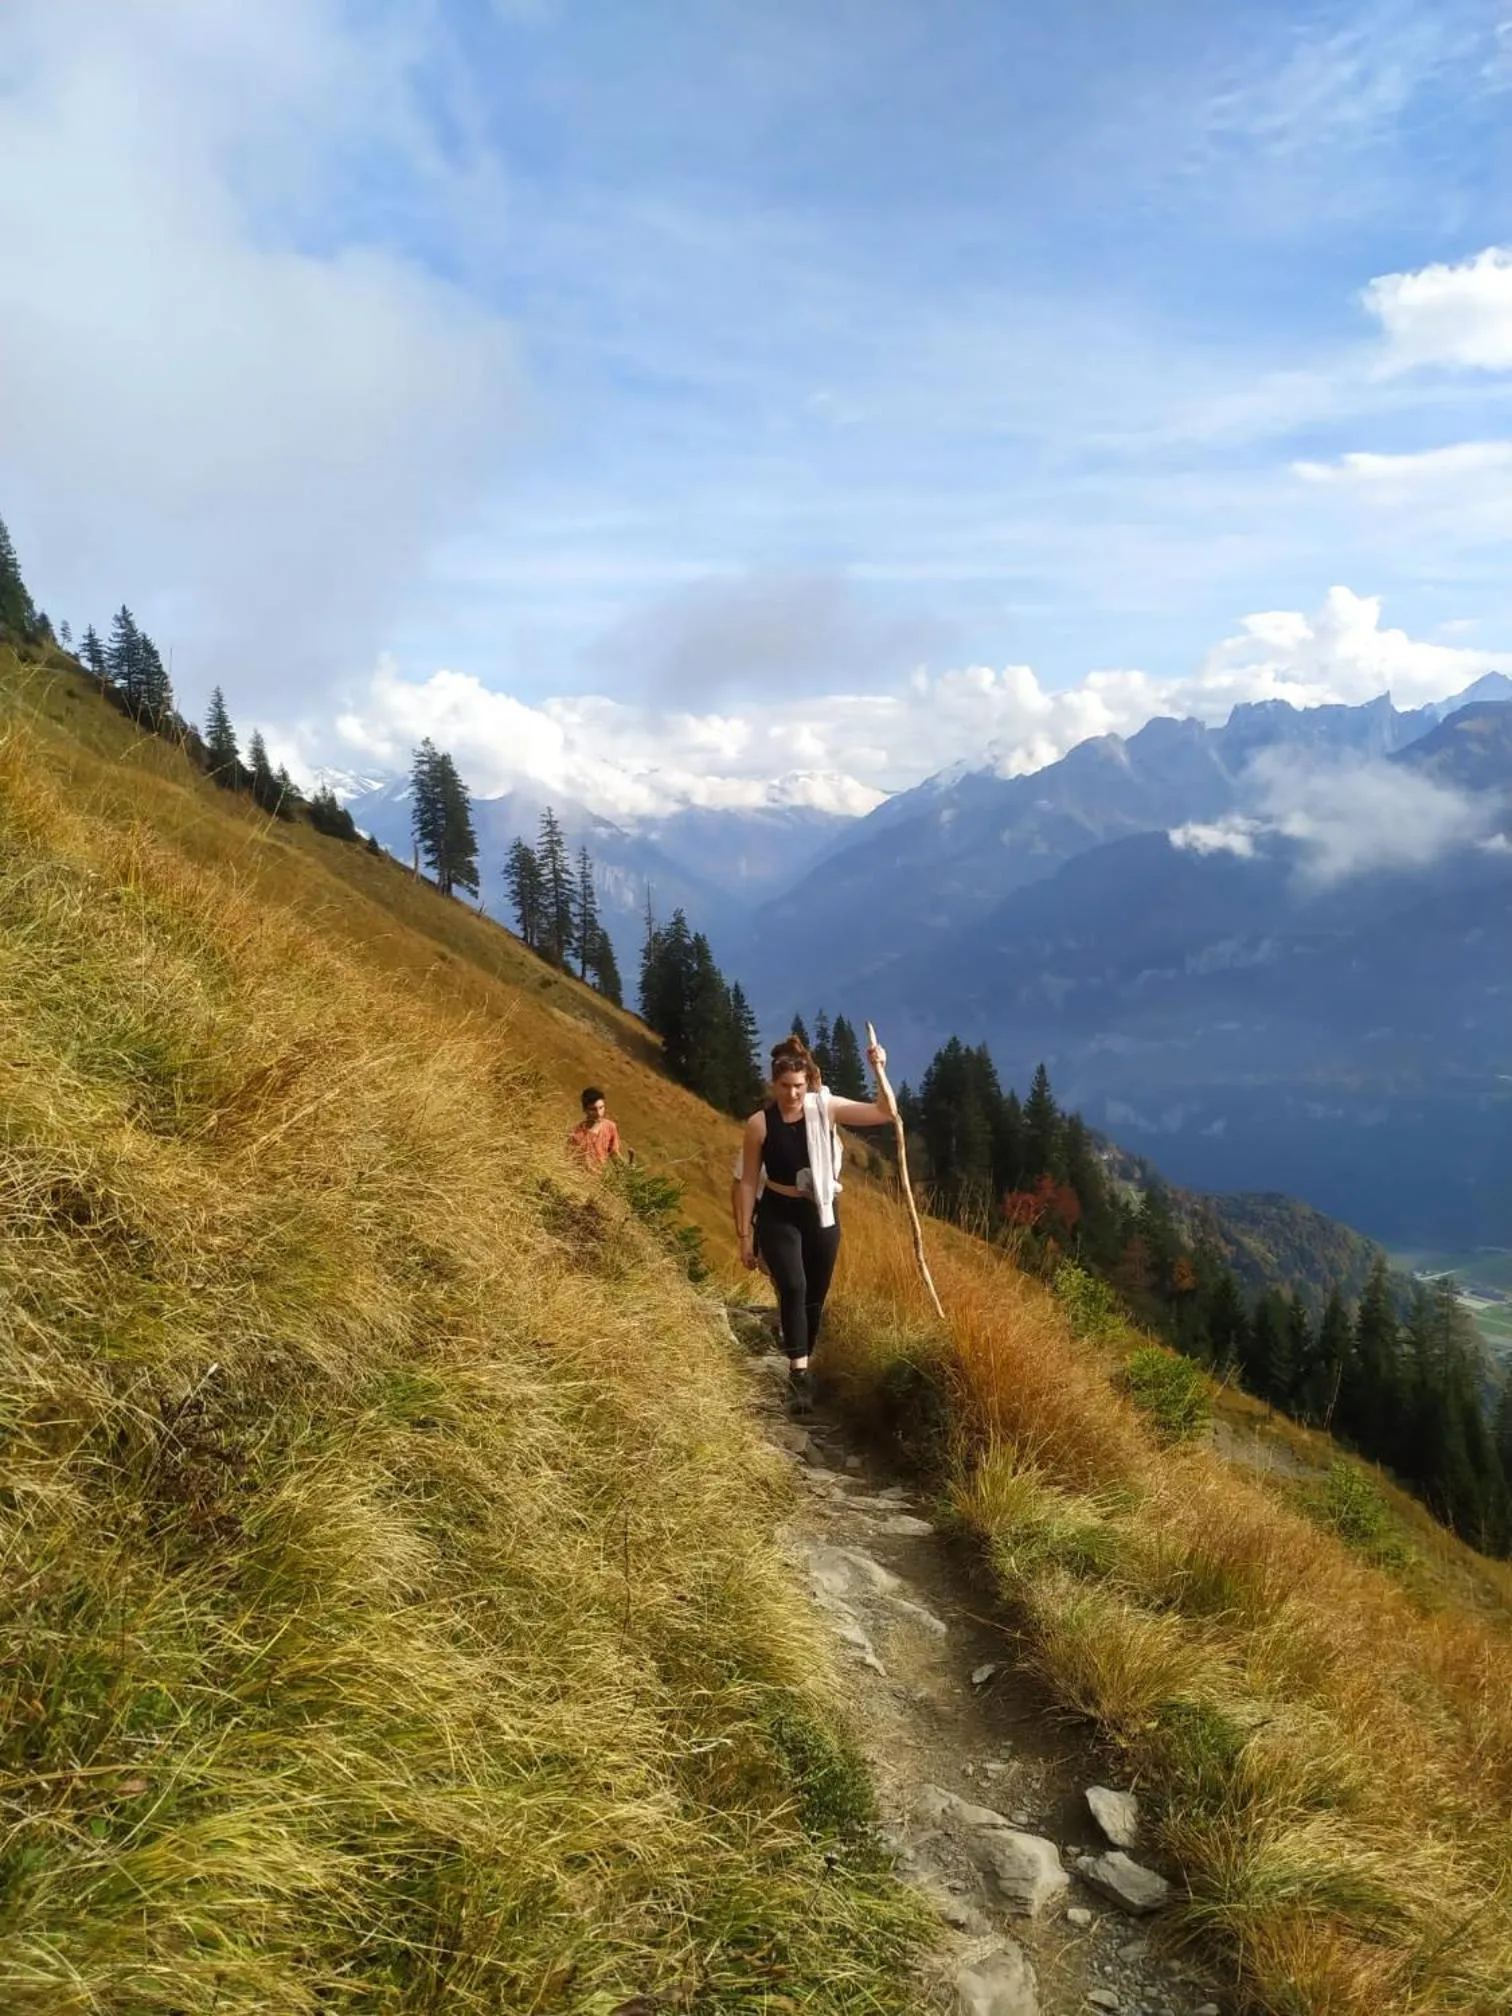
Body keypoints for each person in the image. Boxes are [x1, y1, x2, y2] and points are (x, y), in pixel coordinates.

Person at [735, 1033, 894, 1415]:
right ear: (774, 1085)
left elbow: (884, 1112)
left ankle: (801, 1347)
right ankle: (798, 1375)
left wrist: (879, 1069)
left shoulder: (825, 1108)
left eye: (800, 1087)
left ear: (808, 1083)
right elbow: (747, 1180)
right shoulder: (760, 1125)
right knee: (793, 1284)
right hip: (778, 1211)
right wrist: (744, 1235)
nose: (793, 1095)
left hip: (821, 1211)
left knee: (814, 1296)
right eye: (786, 1087)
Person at [567, 1086, 627, 1171]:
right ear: (585, 1109)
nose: (598, 1113)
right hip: (581, 1179)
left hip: (601, 1179)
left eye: (601, 1108)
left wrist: (627, 1170)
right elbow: (569, 1160)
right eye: (593, 1109)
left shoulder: (610, 1127)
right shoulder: (575, 1133)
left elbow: (614, 1154)